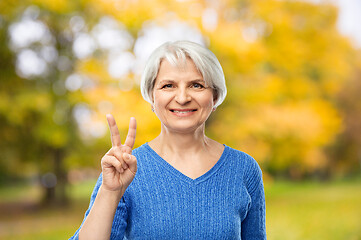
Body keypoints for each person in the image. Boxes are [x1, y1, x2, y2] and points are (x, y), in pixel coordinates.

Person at [70, 40, 266, 240]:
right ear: (151, 97)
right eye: (168, 85)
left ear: (214, 97)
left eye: (196, 85)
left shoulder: (244, 168)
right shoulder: (124, 168)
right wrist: (110, 192)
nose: (182, 98)